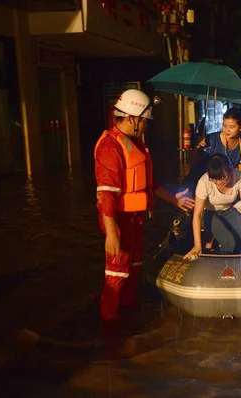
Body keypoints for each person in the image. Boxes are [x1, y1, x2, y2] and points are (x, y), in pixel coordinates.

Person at [94, 88, 195, 322]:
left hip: (135, 218)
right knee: (117, 271)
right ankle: (110, 326)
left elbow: (149, 183)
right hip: (119, 220)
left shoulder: (134, 143)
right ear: (132, 118)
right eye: (144, 121)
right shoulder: (111, 147)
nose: (147, 125)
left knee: (134, 267)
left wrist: (173, 198)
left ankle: (128, 313)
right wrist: (111, 232)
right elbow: (106, 194)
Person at [183, 153, 241, 259]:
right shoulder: (204, 182)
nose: (219, 182)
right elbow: (197, 214)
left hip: (228, 209)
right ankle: (222, 269)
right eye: (215, 179)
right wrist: (197, 244)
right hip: (208, 212)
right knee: (228, 241)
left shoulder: (239, 176)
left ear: (230, 171)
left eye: (223, 178)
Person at [195, 107, 241, 172]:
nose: (227, 130)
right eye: (224, 126)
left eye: (231, 127)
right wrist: (197, 148)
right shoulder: (210, 141)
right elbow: (196, 163)